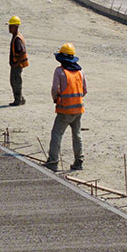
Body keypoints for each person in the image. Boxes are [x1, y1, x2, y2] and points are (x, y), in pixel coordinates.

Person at [45, 43, 87, 171]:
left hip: (64, 110)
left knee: (57, 134)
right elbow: (84, 90)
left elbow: (54, 89)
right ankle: (79, 161)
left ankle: (53, 161)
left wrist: (56, 99)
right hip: (78, 109)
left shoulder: (60, 71)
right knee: (77, 134)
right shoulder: (80, 71)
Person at [7, 15, 28, 106]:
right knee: (15, 81)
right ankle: (21, 99)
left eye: (11, 26)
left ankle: (18, 100)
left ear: (16, 27)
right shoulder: (16, 36)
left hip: (17, 65)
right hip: (16, 64)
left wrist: (17, 63)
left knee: (15, 82)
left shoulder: (17, 39)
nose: (9, 28)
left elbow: (22, 51)